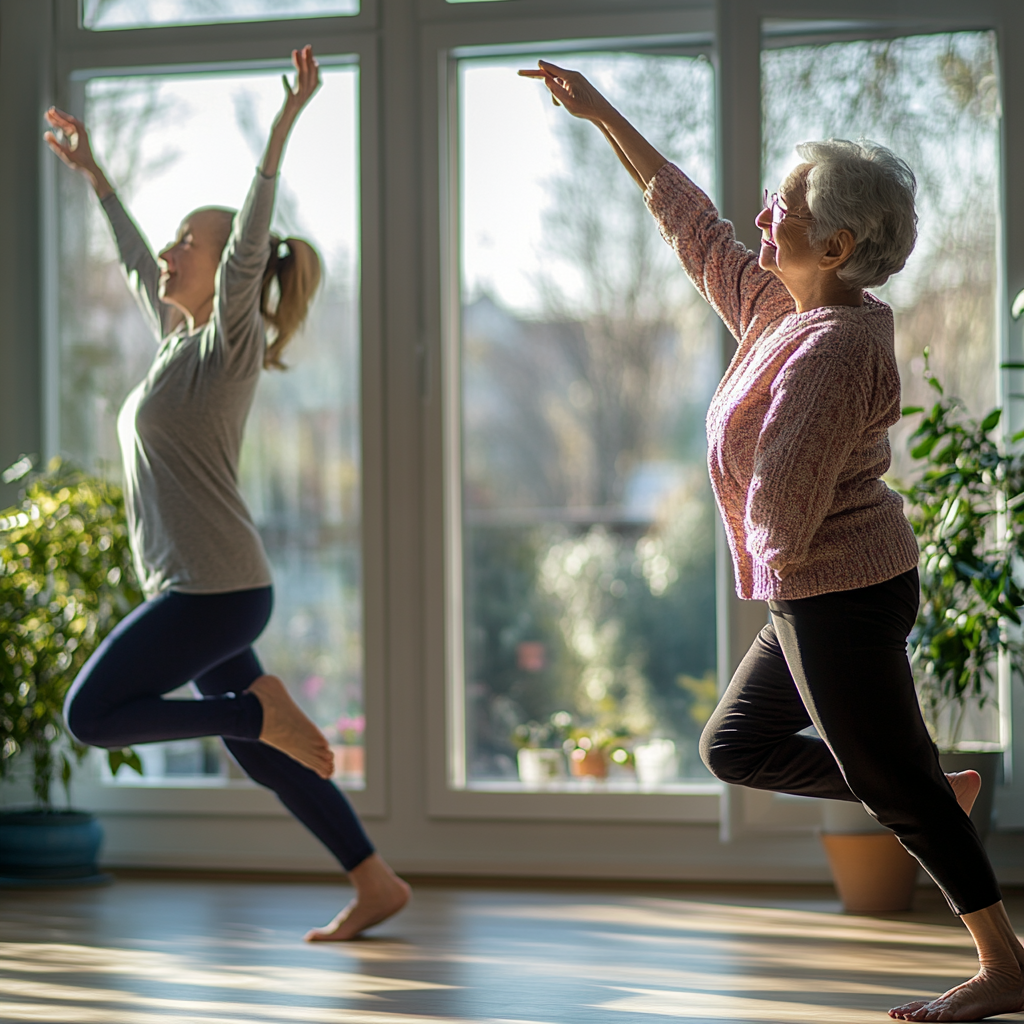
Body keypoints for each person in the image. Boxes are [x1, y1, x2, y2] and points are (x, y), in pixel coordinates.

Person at [521, 59, 1024, 1022]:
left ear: (833, 245)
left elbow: (785, 507)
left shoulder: (833, 350)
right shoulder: (783, 313)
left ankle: (1003, 961)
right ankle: (924, 781)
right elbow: (692, 220)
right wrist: (602, 115)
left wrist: (734, 543)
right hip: (821, 585)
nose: (763, 216)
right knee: (735, 745)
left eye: (784, 206)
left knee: (893, 790)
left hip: (836, 588)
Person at [47, 45, 409, 942]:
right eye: (172, 239)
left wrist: (283, 125)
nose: (169, 252)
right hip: (207, 587)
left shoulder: (224, 348)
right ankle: (375, 880)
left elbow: (248, 241)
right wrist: (95, 175)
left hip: (213, 588)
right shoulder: (175, 344)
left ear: (225, 271)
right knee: (270, 755)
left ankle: (256, 711)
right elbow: (137, 257)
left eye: (188, 242)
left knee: (90, 716)